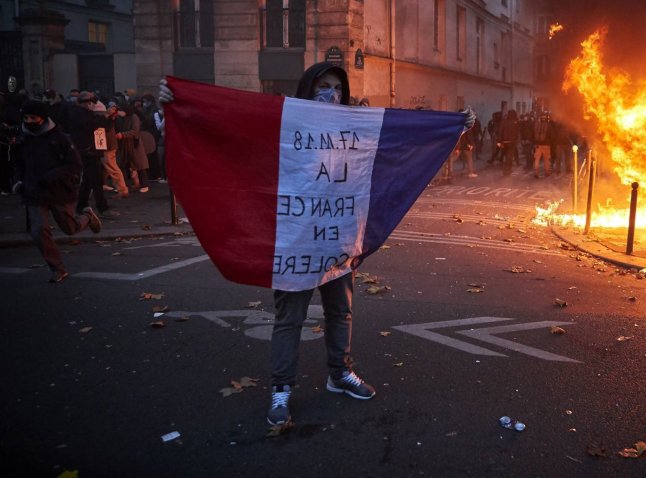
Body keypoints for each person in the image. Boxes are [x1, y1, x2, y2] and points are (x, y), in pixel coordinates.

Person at [158, 63, 475, 425]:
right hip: (295, 242)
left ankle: (340, 373)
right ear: (308, 86)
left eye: (338, 87)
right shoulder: (285, 119)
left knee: (340, 312)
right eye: (324, 86)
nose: (331, 94)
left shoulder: (355, 123)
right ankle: (281, 389)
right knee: (289, 319)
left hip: (337, 237)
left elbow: (403, 136)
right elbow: (229, 127)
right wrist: (176, 103)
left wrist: (456, 124)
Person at [12, 100, 102, 283]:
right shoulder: (23, 139)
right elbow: (17, 163)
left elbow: (75, 164)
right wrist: (18, 181)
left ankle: (87, 217)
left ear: (42, 118)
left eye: (33, 117)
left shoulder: (60, 138)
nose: (29, 121)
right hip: (33, 192)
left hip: (59, 191)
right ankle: (57, 268)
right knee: (39, 231)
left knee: (70, 228)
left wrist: (52, 176)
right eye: (26, 117)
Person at [69, 91, 120, 218]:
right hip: (87, 150)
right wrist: (106, 116)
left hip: (92, 150)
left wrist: (110, 119)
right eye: (91, 103)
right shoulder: (77, 113)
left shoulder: (86, 114)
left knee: (88, 180)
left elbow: (102, 127)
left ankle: (82, 206)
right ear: (86, 103)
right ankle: (102, 208)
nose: (92, 105)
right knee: (96, 180)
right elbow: (91, 125)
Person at [115, 103, 150, 193]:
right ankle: (125, 185)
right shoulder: (120, 118)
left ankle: (144, 184)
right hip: (124, 143)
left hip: (134, 143)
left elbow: (135, 131)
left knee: (140, 165)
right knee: (123, 164)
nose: (119, 112)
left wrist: (122, 135)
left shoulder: (134, 117)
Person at [532, 111, 554, 178]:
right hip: (546, 145)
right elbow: (552, 135)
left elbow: (533, 134)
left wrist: (535, 142)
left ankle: (536, 172)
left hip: (538, 145)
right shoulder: (549, 125)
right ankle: (547, 172)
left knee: (537, 159)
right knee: (546, 160)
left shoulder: (537, 125)